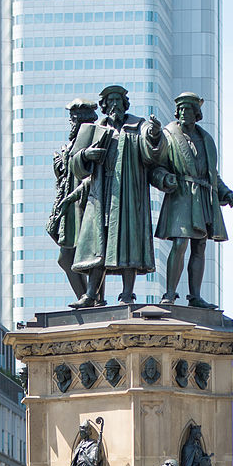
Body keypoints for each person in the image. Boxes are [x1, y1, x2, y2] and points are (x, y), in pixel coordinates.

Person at [68, 84, 167, 306]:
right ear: (103, 106)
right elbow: (75, 164)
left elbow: (151, 154)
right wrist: (86, 154)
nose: (114, 105)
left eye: (118, 101)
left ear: (125, 104)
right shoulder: (94, 129)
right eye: (110, 101)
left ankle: (127, 294)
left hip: (128, 194)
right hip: (101, 195)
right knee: (98, 243)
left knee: (128, 241)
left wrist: (154, 134)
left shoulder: (137, 126)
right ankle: (91, 294)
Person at [153, 91, 233, 308]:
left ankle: (195, 296)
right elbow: (156, 167)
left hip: (202, 195)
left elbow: (212, 174)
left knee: (199, 246)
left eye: (188, 110)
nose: (184, 114)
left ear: (196, 113)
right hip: (181, 194)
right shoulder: (169, 135)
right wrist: (165, 178)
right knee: (180, 243)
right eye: (181, 110)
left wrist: (226, 193)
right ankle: (170, 293)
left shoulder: (205, 139)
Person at [47, 98, 98, 300]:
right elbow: (63, 176)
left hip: (88, 204)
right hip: (69, 208)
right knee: (66, 258)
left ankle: (92, 298)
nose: (72, 122)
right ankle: (87, 299)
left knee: (89, 256)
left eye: (76, 118)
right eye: (72, 118)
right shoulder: (68, 146)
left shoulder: (95, 139)